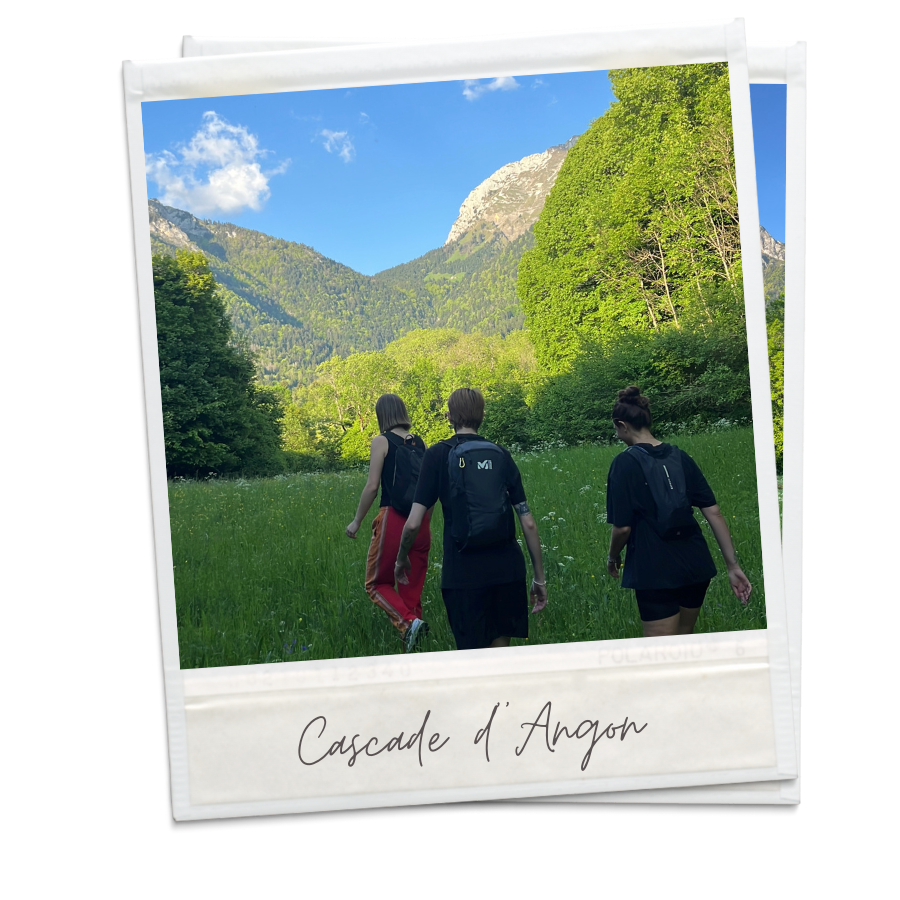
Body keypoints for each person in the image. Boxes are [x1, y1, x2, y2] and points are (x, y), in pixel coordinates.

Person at [394, 388, 547, 651]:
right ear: (482, 416)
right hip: (507, 569)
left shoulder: (437, 455)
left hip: (463, 572)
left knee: (473, 658)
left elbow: (413, 523)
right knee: (501, 655)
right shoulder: (500, 453)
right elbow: (528, 521)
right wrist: (539, 577)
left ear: (449, 416)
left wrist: (401, 558)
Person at [605, 386, 752, 638]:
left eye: (615, 428)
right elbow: (713, 512)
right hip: (695, 564)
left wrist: (612, 557)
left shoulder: (623, 463)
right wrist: (732, 566)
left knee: (661, 653)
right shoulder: (680, 456)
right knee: (684, 640)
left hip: (654, 568)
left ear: (622, 425)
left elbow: (623, 528)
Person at [345, 394, 432, 652]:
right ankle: (415, 642)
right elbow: (428, 489)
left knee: (376, 583)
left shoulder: (381, 441)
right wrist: (425, 520)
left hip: (393, 518)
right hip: (421, 521)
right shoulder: (420, 443)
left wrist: (357, 521)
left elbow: (373, 486)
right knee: (410, 585)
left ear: (381, 415)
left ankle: (408, 623)